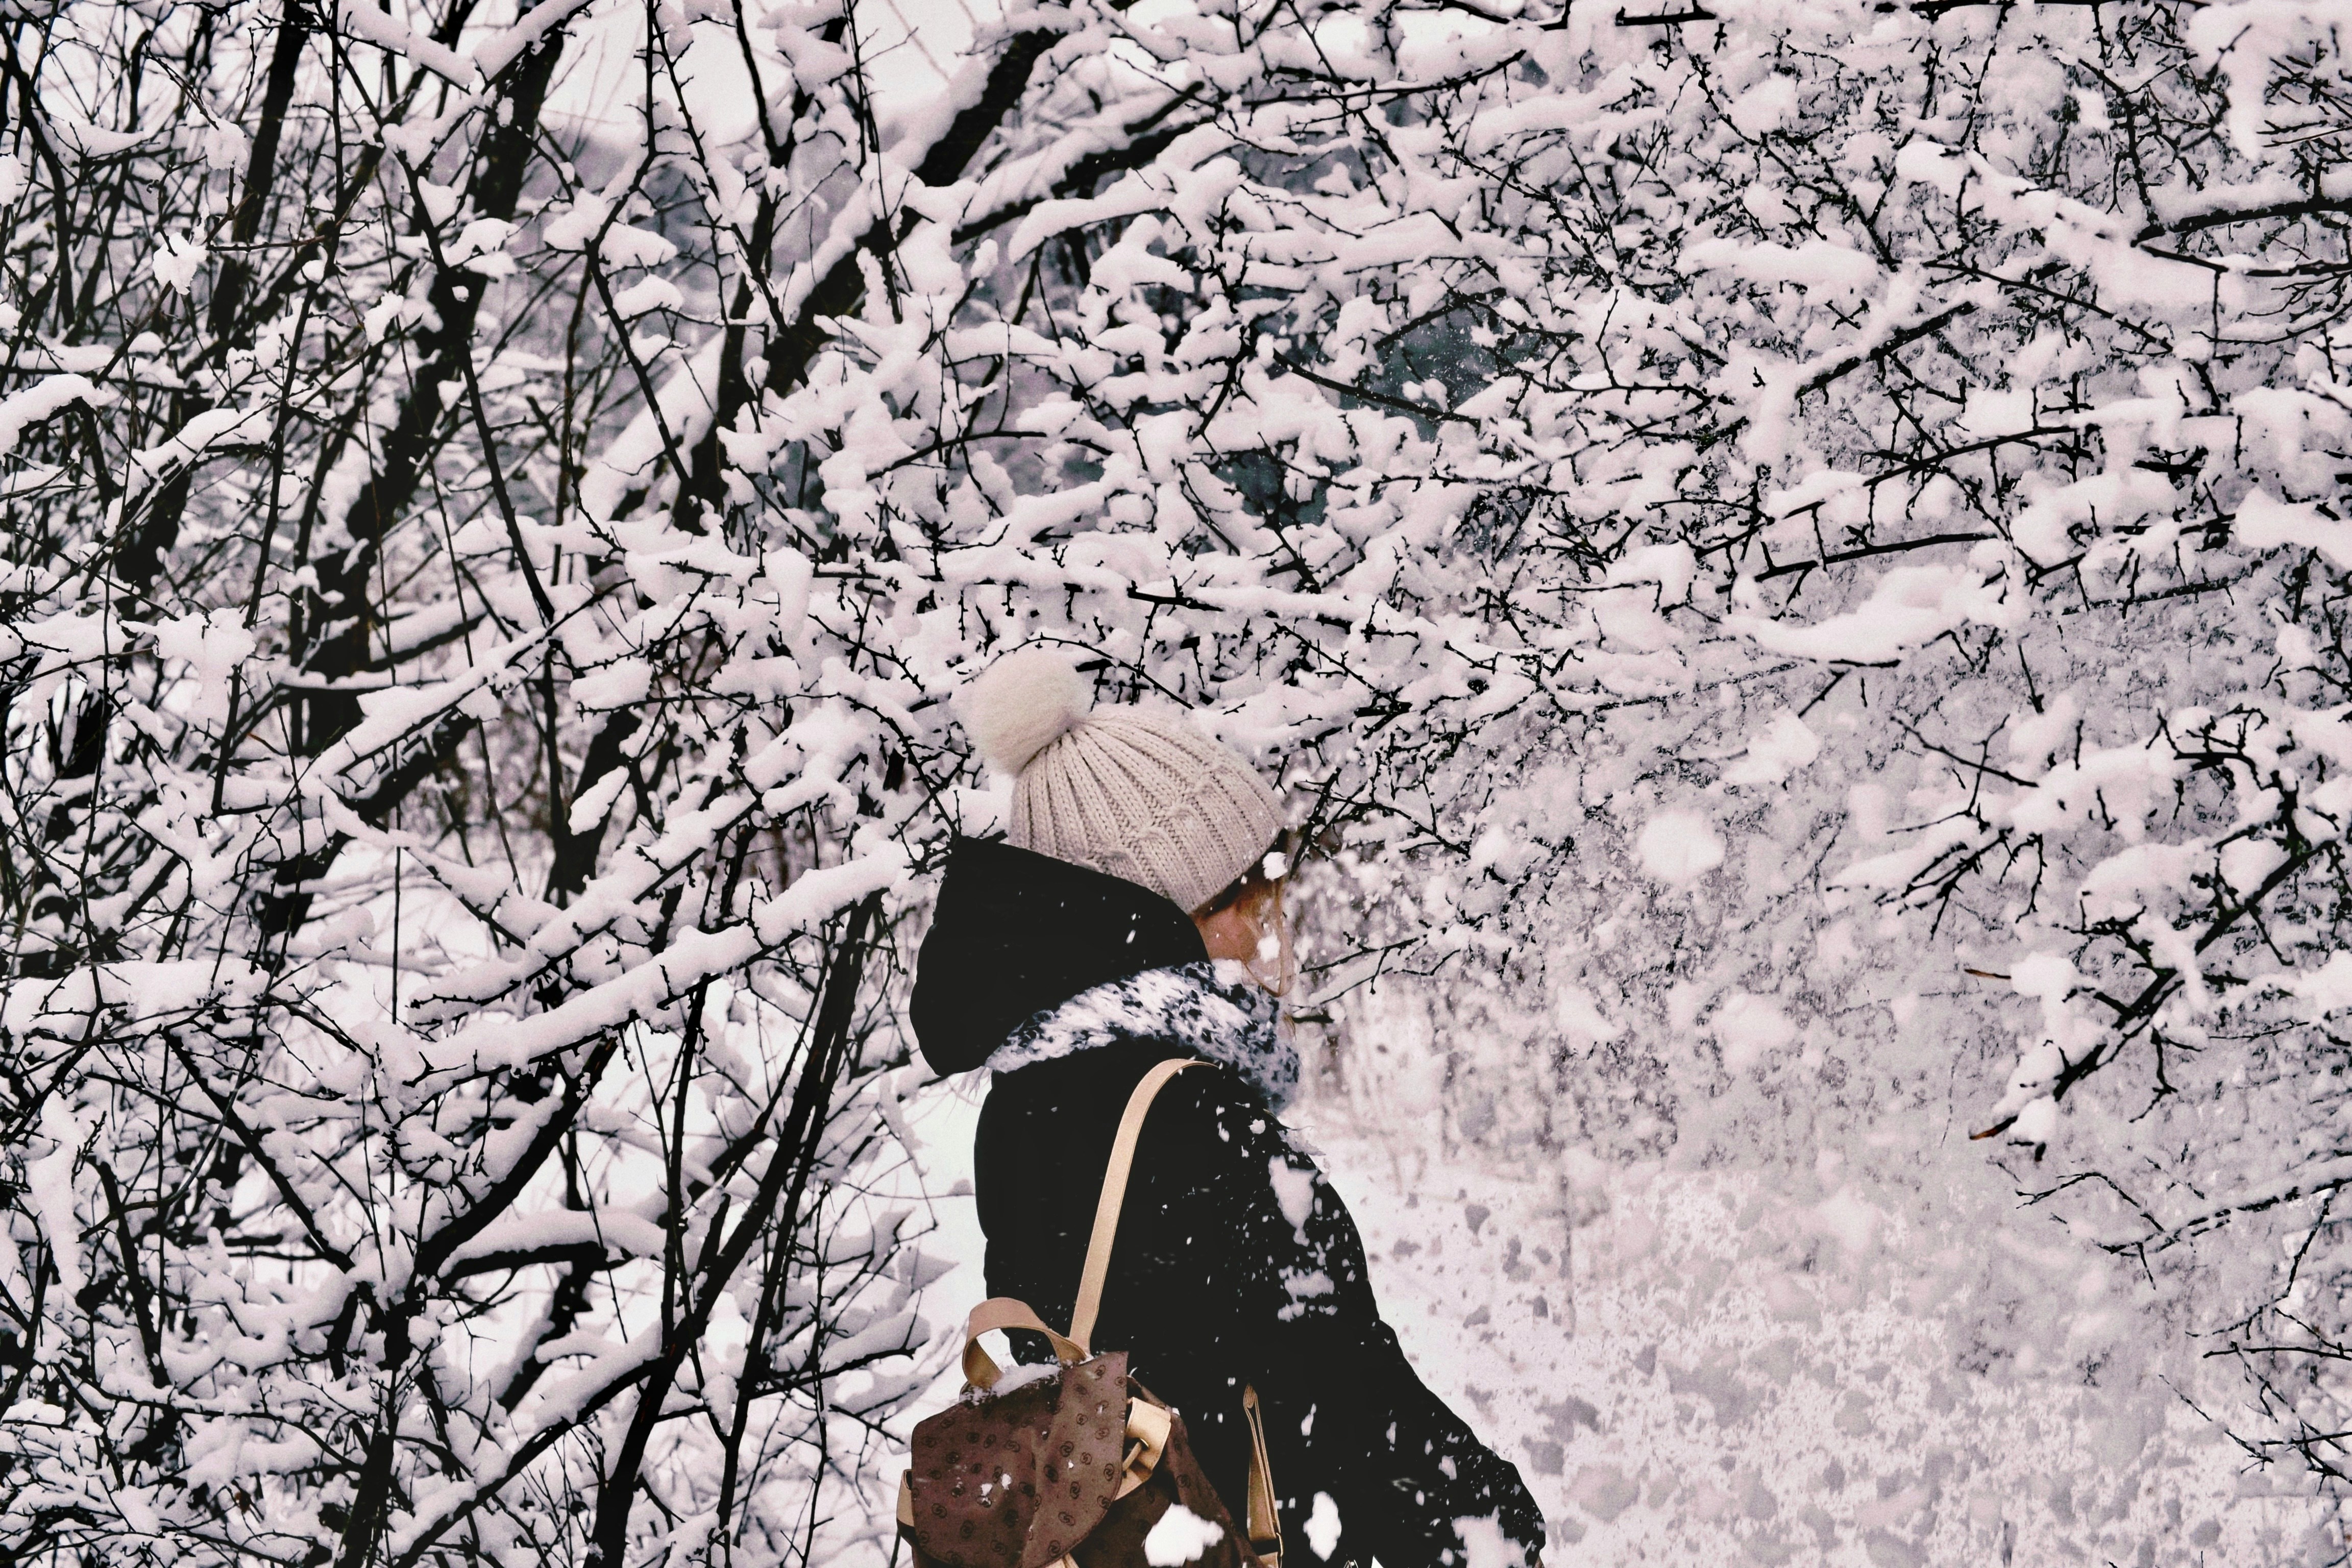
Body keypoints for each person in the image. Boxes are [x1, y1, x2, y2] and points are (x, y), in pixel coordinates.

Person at [910, 649, 1545, 1568]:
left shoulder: (1027, 1101)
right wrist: (1495, 1524)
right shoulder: (1203, 1127)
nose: (1270, 933)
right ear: (1154, 913)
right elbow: (1352, 1410)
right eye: (1241, 899)